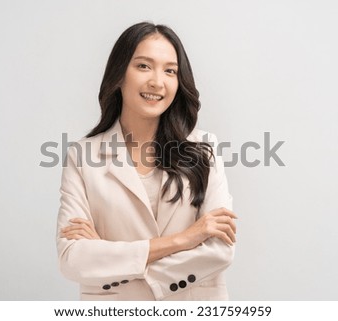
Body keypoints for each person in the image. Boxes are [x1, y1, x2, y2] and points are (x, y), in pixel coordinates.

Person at [56, 22, 237, 301]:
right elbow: (72, 259)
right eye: (143, 66)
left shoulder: (204, 149)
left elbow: (220, 249)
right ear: (118, 75)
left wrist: (109, 256)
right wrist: (184, 239)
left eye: (170, 71)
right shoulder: (82, 156)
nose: (157, 81)